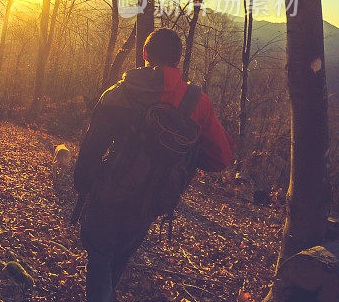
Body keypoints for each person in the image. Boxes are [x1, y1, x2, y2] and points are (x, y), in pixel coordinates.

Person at [72, 28, 233, 302]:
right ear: (178, 61)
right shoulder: (197, 102)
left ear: (145, 54)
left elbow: (92, 146)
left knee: (99, 254)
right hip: (154, 197)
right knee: (120, 254)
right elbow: (222, 157)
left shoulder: (120, 92)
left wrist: (83, 183)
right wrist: (186, 157)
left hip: (110, 188)